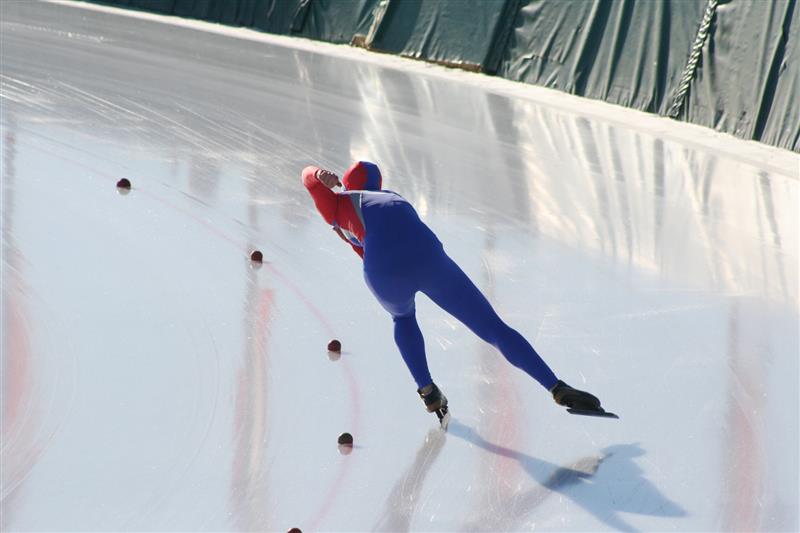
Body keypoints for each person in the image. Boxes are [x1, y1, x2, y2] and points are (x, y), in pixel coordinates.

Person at [302, 161, 612, 425]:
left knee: (402, 318)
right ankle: (556, 386)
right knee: (493, 328)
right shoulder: (391, 198)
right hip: (426, 255)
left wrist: (318, 175)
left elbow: (307, 179)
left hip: (382, 270)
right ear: (376, 183)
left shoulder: (338, 207)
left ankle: (428, 391)